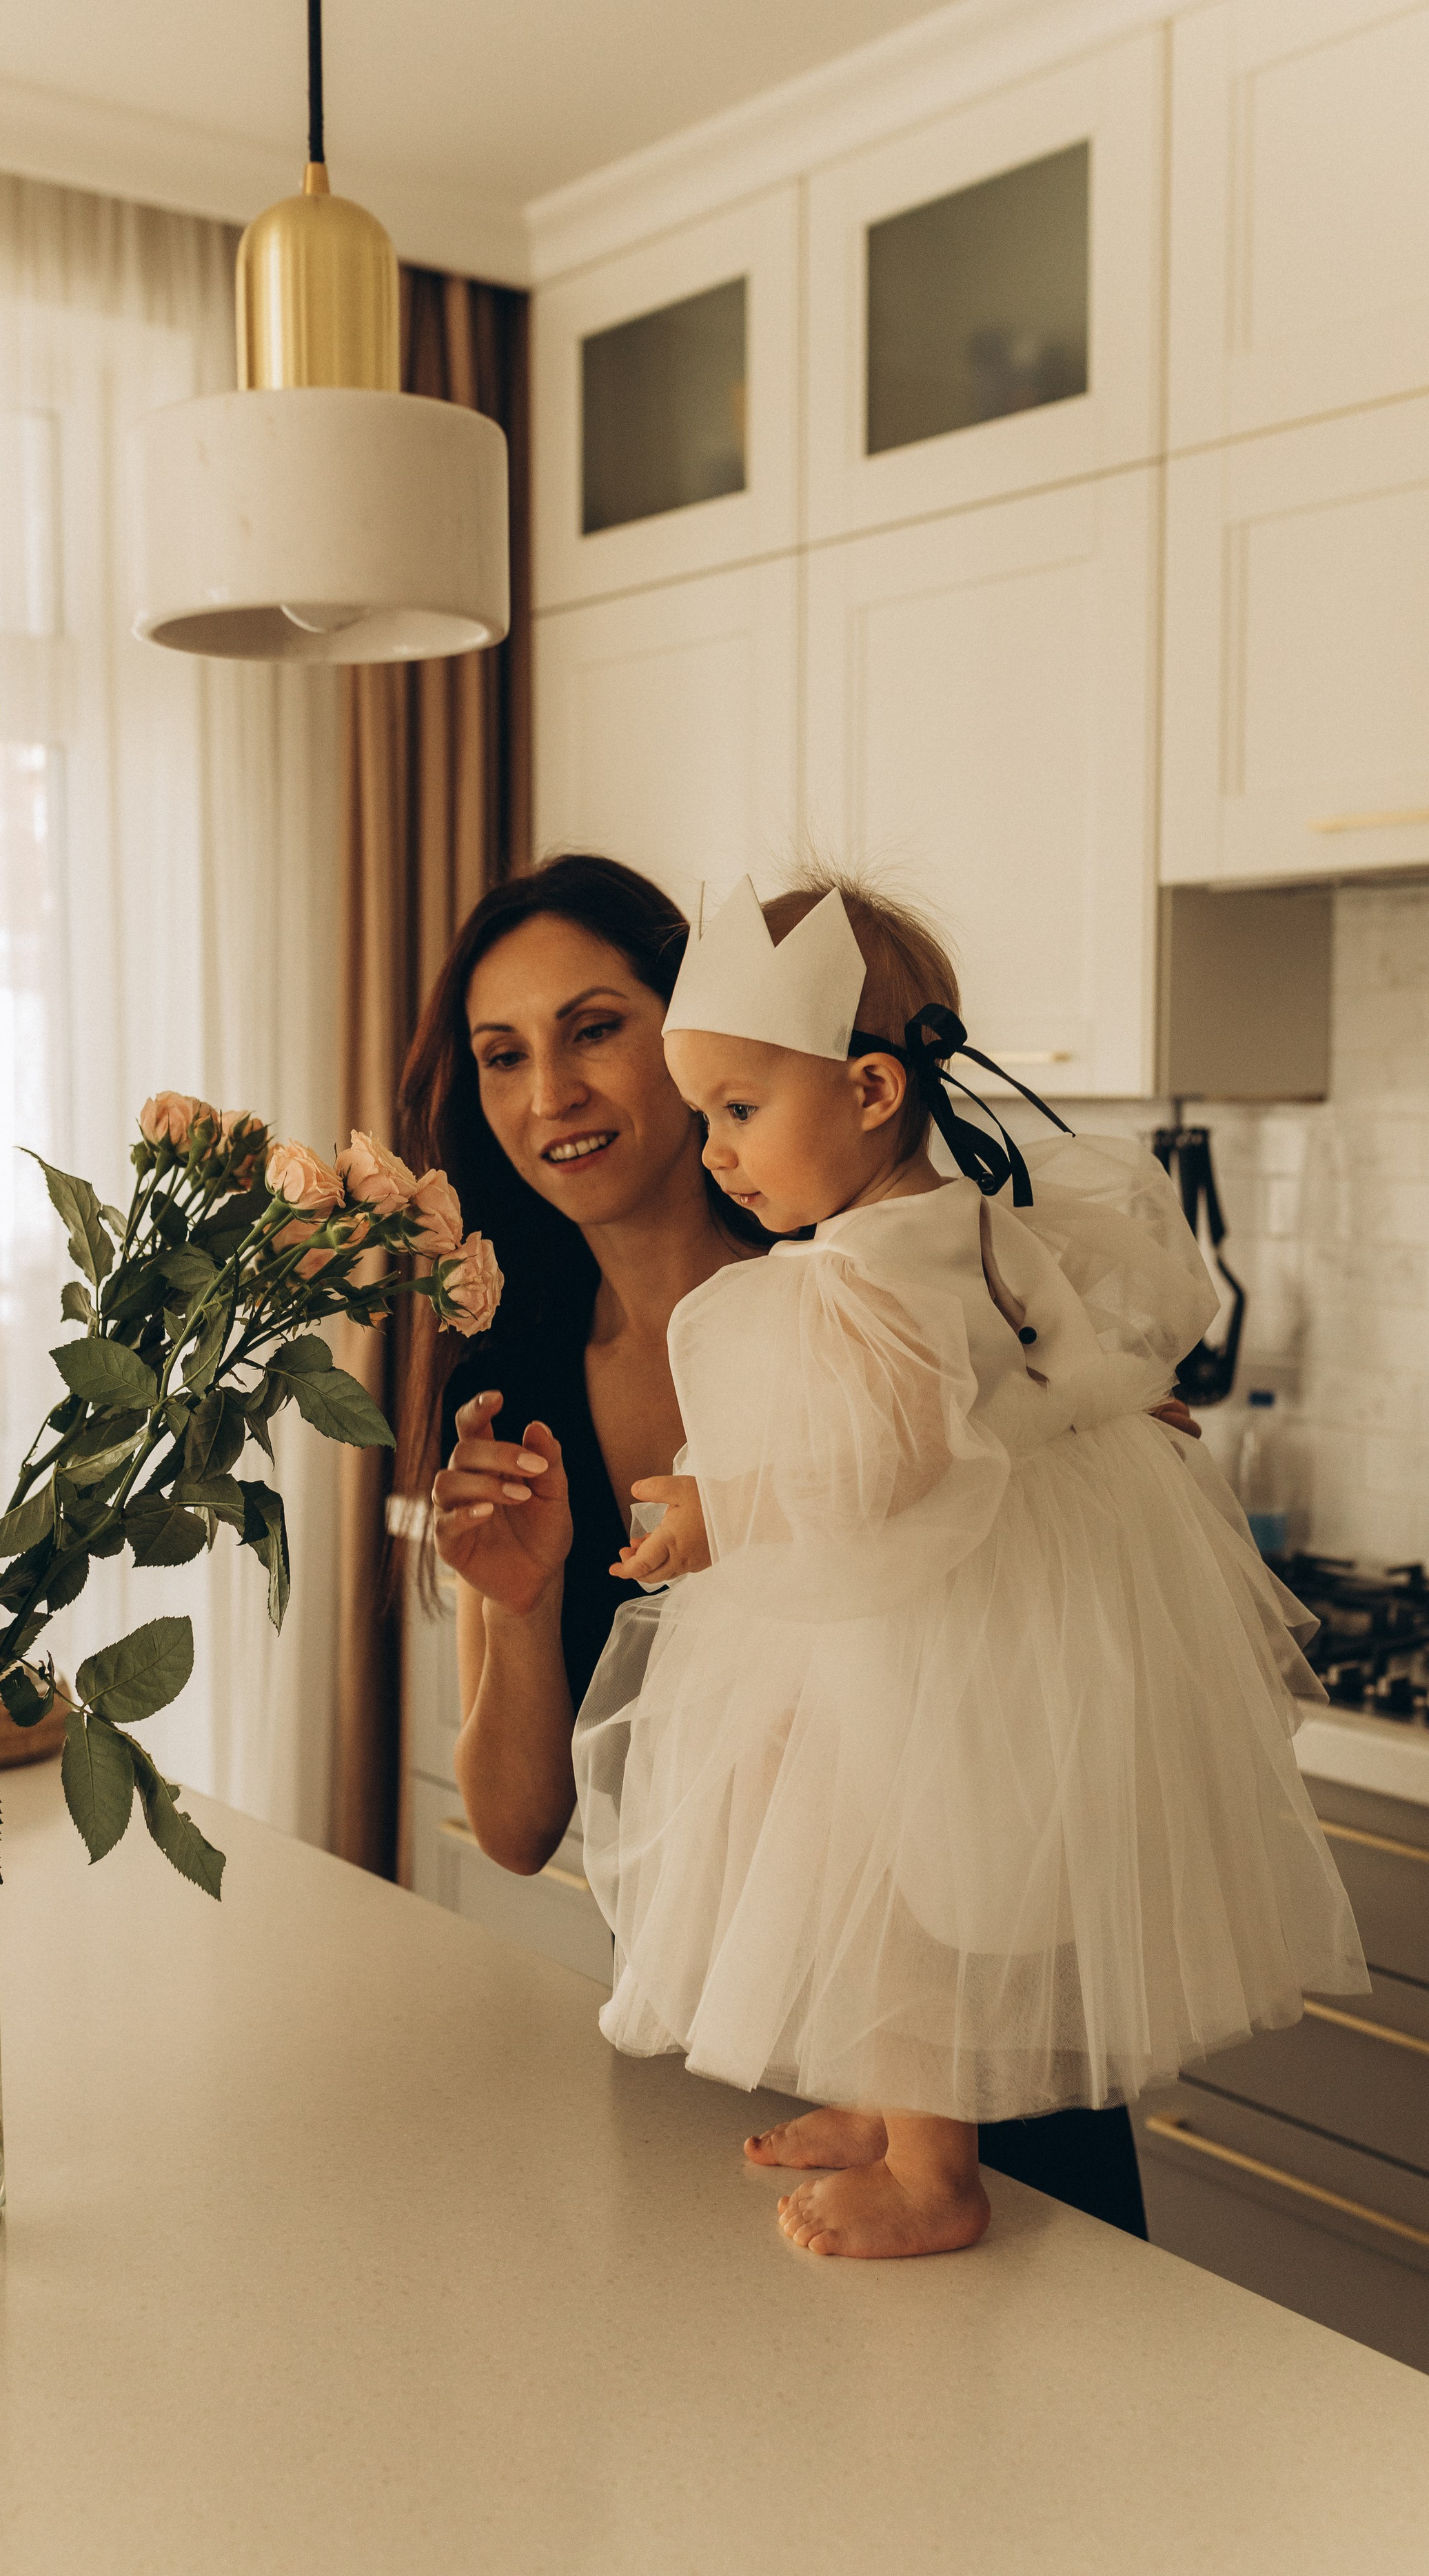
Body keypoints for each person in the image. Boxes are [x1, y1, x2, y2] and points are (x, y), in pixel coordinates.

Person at [399, 853, 1200, 2241]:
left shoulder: (884, 1291)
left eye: (596, 1028)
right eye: (499, 1055)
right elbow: (522, 1832)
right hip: (735, 2083)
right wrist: (521, 1606)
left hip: (992, 2065)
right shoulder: (513, 1373)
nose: (548, 1096)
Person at [569, 869, 1368, 2260]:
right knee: (865, 1854)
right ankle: (888, 2114)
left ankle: (933, 2172)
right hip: (932, 1601)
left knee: (899, 1876)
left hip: (924, 1605)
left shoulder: (876, 1265)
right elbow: (1051, 1367)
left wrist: (718, 1512)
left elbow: (888, 1465)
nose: (712, 1154)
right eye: (705, 1118)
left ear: (873, 1094)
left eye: (740, 1113)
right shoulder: (943, 1219)